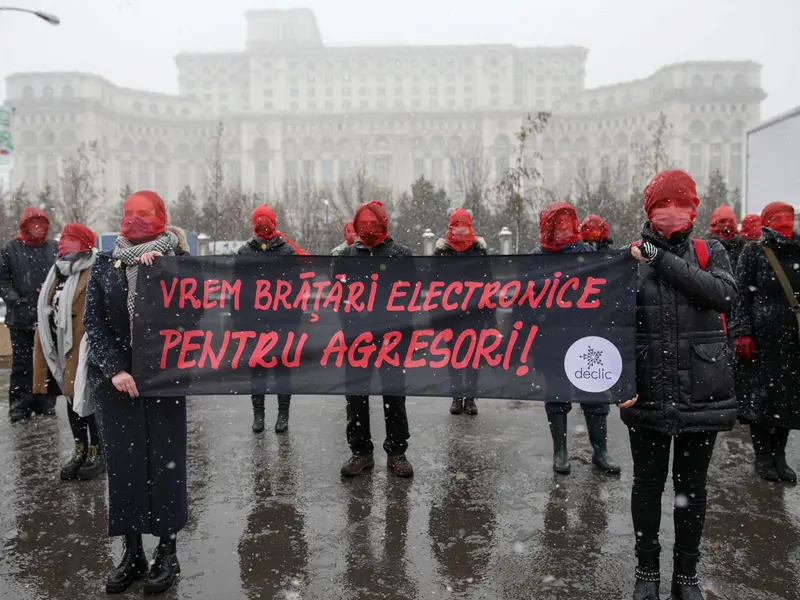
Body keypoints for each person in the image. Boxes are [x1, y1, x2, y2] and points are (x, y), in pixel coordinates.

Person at [620, 169, 737, 600]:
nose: (672, 213)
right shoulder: (625, 259)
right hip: (646, 389)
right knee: (647, 487)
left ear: (694, 210)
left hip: (701, 391)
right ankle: (646, 570)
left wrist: (659, 259)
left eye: (681, 205)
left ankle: (686, 575)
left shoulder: (711, 252)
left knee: (692, 489)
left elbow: (723, 295)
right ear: (648, 210)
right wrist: (617, 382)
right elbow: (612, 328)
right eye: (662, 205)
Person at [85, 190, 186, 594]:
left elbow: (191, 318)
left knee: (165, 465)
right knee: (125, 467)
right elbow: (94, 321)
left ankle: (167, 550)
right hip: (116, 385)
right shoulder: (106, 262)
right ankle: (132, 551)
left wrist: (162, 273)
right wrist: (115, 370)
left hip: (163, 380)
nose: (134, 222)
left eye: (143, 216)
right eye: (129, 215)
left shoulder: (177, 261)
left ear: (160, 218)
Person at [534, 201, 620, 476]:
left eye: (567, 223)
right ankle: (560, 451)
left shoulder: (588, 254)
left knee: (595, 395)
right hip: (550, 339)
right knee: (556, 396)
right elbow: (527, 302)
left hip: (587, 338)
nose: (563, 229)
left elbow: (605, 294)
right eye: (557, 225)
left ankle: (600, 451)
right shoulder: (536, 258)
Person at [335, 200, 414, 478]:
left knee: (394, 395)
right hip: (357, 339)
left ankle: (397, 452)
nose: (368, 228)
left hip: (393, 338)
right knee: (356, 396)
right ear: (356, 226)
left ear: (383, 224)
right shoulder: (345, 258)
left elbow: (411, 297)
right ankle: (360, 452)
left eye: (373, 223)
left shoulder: (402, 256)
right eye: (363, 224)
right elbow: (338, 297)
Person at [731, 201, 800, 484]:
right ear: (767, 221)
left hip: (792, 341)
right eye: (778, 218)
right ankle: (762, 456)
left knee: (786, 399)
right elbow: (740, 296)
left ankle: (779, 455)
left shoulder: (798, 249)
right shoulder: (754, 251)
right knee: (761, 398)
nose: (785, 223)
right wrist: (742, 332)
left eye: (789, 218)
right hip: (761, 341)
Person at [33, 223, 105, 480]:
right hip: (57, 345)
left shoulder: (96, 268)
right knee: (70, 399)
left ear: (85, 243)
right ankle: (80, 448)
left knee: (87, 399)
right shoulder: (58, 271)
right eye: (64, 238)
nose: (65, 243)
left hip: (83, 345)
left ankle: (97, 451)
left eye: (72, 239)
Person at [237, 205, 306, 434]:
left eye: (265, 221)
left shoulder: (287, 252)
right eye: (259, 221)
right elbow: (237, 290)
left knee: (282, 368)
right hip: (255, 321)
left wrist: (295, 320)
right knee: (257, 369)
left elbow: (295, 288)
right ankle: (259, 415)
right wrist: (240, 321)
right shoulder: (245, 252)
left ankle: (283, 414)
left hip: (281, 320)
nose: (262, 226)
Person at [0, 207, 58, 422]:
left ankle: (44, 402)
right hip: (20, 319)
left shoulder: (53, 248)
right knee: (22, 364)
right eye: (33, 224)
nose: (37, 229)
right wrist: (16, 301)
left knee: (46, 363)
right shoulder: (10, 249)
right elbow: (3, 280)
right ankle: (19, 405)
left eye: (40, 224)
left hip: (47, 318)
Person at [433, 207, 493, 416]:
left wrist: (490, 318)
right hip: (450, 314)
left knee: (473, 357)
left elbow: (488, 285)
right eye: (456, 227)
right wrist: (435, 315)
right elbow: (435, 285)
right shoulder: (442, 252)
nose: (460, 232)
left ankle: (470, 398)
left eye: (463, 227)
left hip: (475, 313)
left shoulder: (478, 251)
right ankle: (456, 397)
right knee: (454, 357)